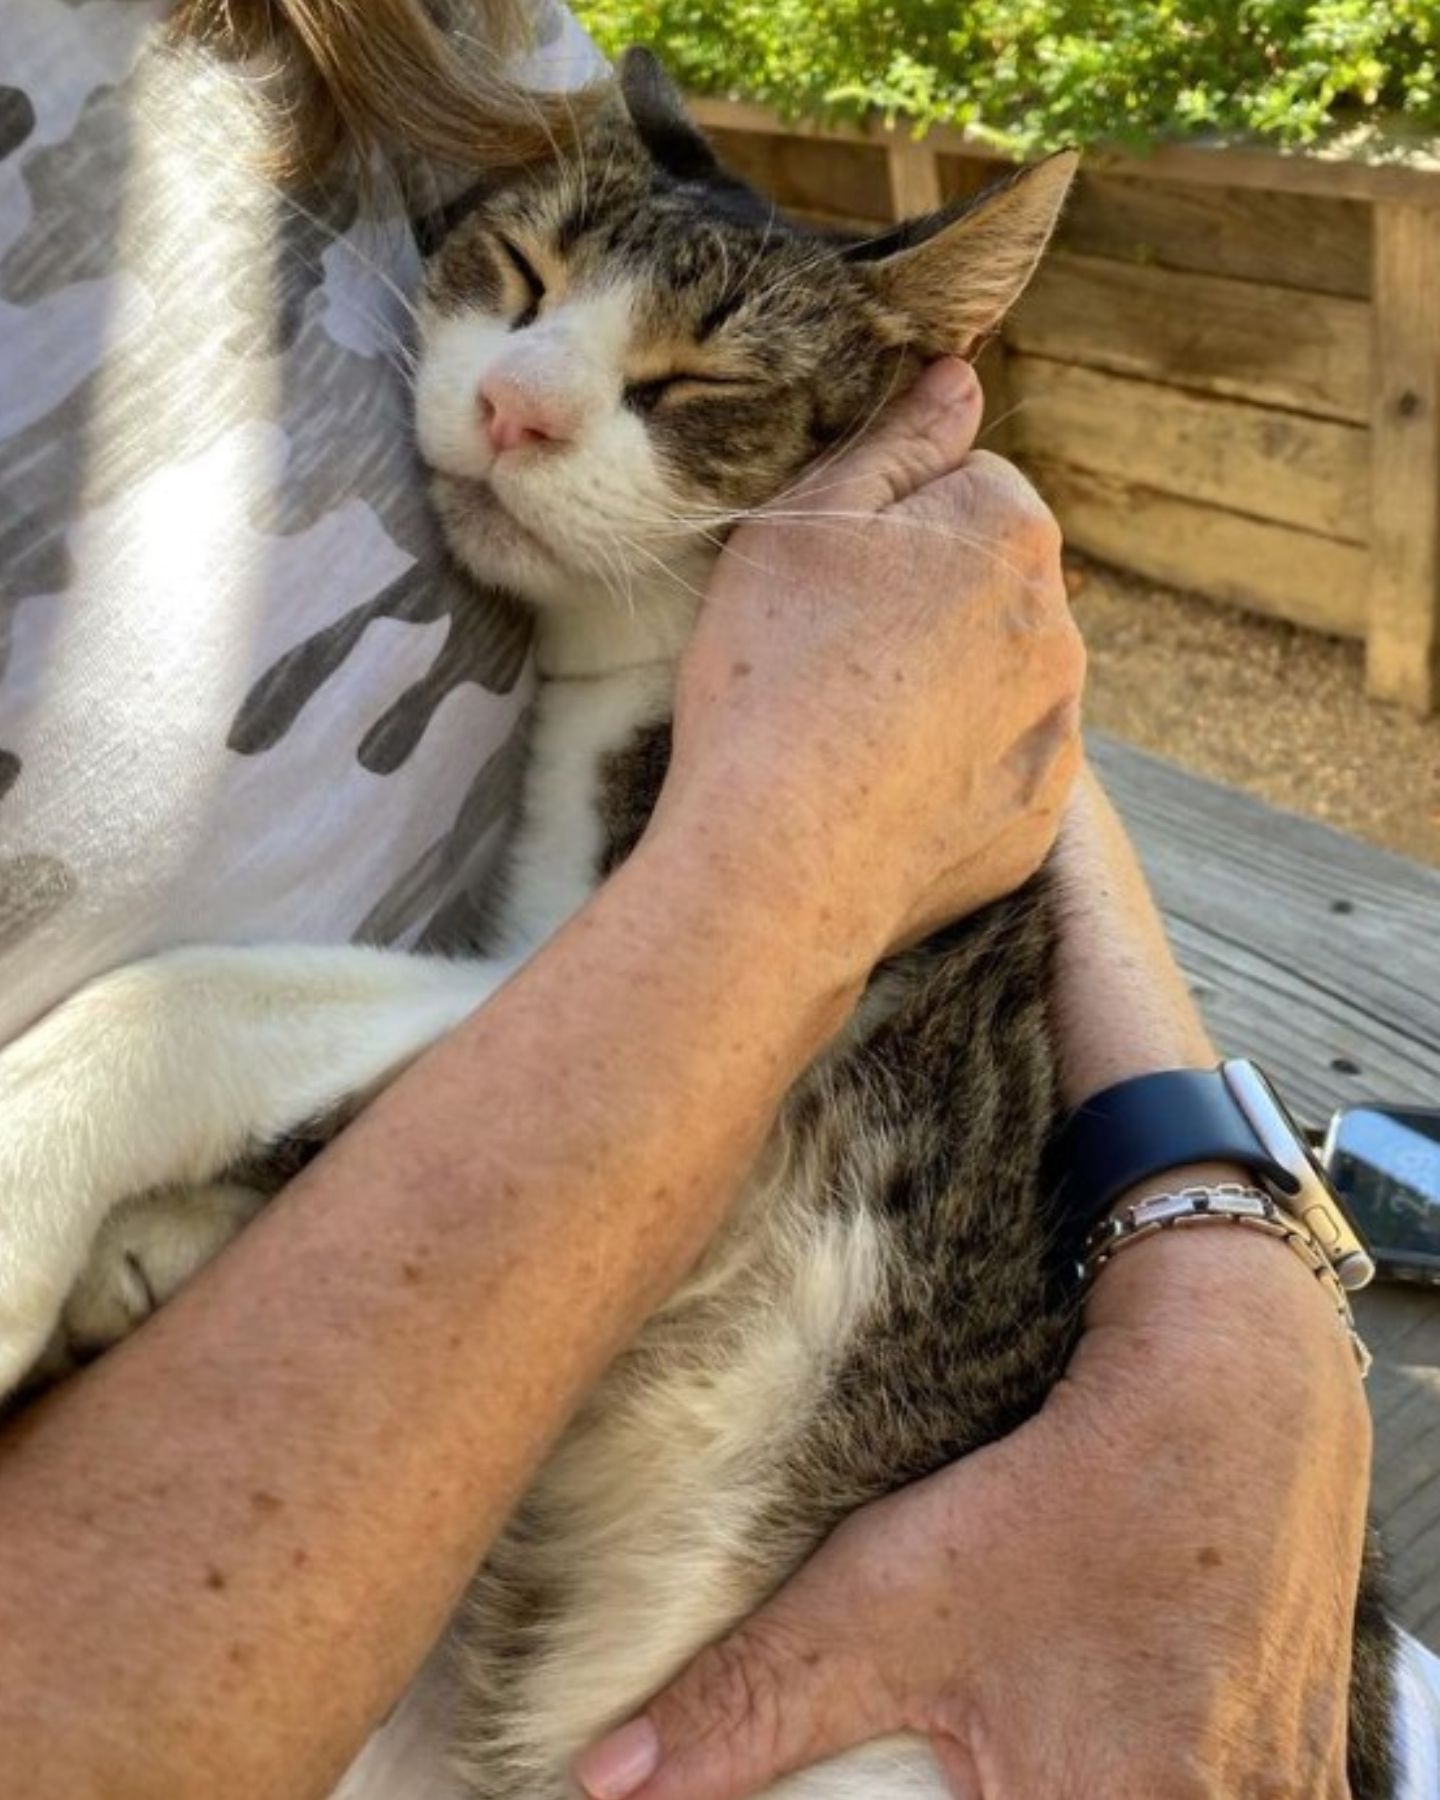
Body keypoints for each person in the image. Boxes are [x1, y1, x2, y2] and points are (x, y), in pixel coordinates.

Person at [1, 4, 1434, 1797]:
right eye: (511, 282)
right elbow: (637, 998)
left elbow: (992, 705)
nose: (523, 403)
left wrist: (1225, 1264)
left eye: (694, 397)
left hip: (895, 1574)